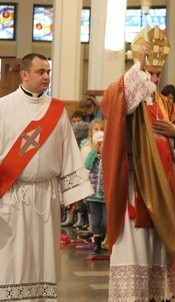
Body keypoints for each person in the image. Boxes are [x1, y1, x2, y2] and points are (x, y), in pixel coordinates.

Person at [101, 26, 175, 301]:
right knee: (136, 243)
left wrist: (173, 134)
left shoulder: (165, 103)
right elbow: (119, 99)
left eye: (156, 74)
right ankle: (133, 295)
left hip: (164, 185)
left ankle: (155, 294)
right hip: (135, 183)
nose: (152, 79)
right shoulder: (127, 97)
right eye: (148, 73)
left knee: (158, 246)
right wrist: (138, 63)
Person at [0, 53, 93, 300]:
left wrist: (72, 194)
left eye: (48, 72)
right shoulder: (3, 107)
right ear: (24, 74)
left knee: (43, 256)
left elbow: (68, 153)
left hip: (46, 196)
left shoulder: (57, 111)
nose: (46, 76)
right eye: (41, 72)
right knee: (12, 257)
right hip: (12, 195)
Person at [83, 131, 107, 255]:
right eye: (99, 144)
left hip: (105, 196)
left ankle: (106, 240)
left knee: (106, 221)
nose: (101, 146)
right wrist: (93, 151)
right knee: (96, 221)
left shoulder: (109, 157)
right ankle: (97, 244)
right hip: (93, 196)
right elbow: (86, 165)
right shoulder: (93, 158)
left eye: (103, 144)